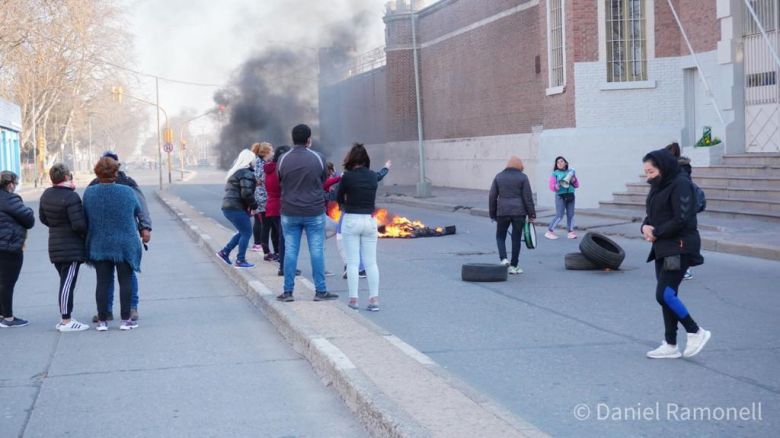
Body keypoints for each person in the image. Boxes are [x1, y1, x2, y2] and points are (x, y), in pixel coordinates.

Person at [641, 148, 711, 359]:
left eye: (651, 172)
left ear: (663, 167)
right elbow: (652, 214)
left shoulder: (681, 184)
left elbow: (681, 218)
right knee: (668, 297)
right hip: (663, 246)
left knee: (664, 294)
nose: (648, 177)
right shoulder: (658, 186)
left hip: (679, 246)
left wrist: (656, 232)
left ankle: (695, 331)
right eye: (646, 173)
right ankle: (670, 344)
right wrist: (645, 227)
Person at [275, 124, 338, 302]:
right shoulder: (319, 158)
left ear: (292, 139)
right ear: (309, 139)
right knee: (317, 251)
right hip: (314, 211)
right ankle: (320, 291)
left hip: (289, 211)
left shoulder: (283, 159)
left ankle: (288, 292)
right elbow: (323, 180)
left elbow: (280, 181)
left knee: (290, 251)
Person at [83, 157, 146, 331]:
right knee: (125, 281)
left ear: (97, 173)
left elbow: (85, 217)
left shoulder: (89, 193)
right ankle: (126, 320)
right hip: (125, 244)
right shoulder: (127, 192)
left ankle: (102, 321)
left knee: (102, 281)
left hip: (99, 244)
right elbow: (137, 211)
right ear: (115, 173)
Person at [39, 164, 89, 331]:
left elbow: (43, 218)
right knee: (67, 284)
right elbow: (79, 225)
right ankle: (66, 320)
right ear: (67, 177)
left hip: (55, 245)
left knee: (65, 281)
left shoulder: (46, 194)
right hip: (71, 247)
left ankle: (66, 318)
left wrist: (57, 226)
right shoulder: (71, 197)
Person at [336, 143, 383, 311]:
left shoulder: (347, 177)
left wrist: (343, 204)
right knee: (371, 263)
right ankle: (374, 299)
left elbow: (338, 196)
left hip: (351, 219)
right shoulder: (372, 176)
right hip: (370, 220)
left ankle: (354, 300)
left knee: (353, 263)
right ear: (366, 159)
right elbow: (378, 178)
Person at [488, 156, 536, 274]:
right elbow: (527, 197)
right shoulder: (523, 177)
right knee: (516, 238)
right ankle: (514, 266)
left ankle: (503, 259)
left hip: (502, 211)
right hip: (519, 212)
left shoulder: (499, 176)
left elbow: (492, 196)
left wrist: (492, 213)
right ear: (520, 166)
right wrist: (531, 214)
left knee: (500, 236)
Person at [0, 171, 35, 327]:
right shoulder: (10, 199)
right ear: (10, 185)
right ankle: (8, 318)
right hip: (9, 247)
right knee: (7, 283)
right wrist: (31, 211)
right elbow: (28, 219)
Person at [216, 149, 258, 268]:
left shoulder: (235, 172)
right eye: (253, 159)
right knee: (247, 232)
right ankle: (240, 260)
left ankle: (224, 252)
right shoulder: (246, 173)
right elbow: (246, 194)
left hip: (228, 207)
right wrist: (254, 206)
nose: (254, 162)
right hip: (236, 207)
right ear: (249, 161)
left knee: (242, 232)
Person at [664, 142, 694, 280]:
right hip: (685, 209)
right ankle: (679, 269)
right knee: (679, 240)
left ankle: (681, 270)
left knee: (676, 240)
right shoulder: (684, 169)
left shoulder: (676, 171)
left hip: (678, 209)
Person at [545, 156, 579, 240]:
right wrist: (557, 186)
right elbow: (551, 187)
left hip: (570, 195)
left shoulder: (570, 172)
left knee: (571, 215)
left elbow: (577, 185)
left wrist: (573, 180)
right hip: (560, 196)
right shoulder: (555, 174)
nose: (559, 163)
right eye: (558, 162)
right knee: (559, 215)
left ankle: (571, 232)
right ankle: (549, 231)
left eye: (561, 161)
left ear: (565, 163)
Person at [250, 142, 273, 254]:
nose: (273, 153)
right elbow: (259, 178)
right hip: (262, 195)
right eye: (271, 151)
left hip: (259, 194)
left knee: (263, 223)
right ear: (266, 152)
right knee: (265, 224)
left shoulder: (258, 161)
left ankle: (262, 246)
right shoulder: (261, 163)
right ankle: (264, 249)